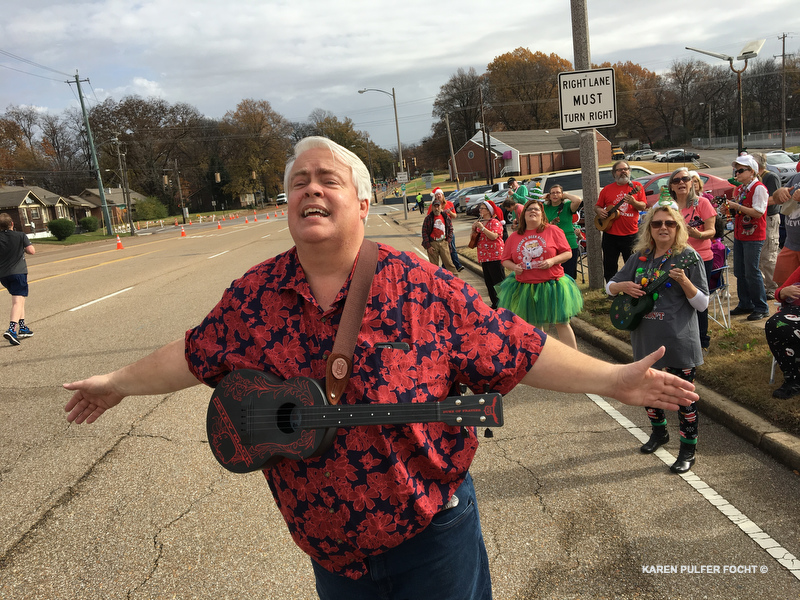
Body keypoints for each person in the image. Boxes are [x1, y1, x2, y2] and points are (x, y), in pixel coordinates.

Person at [63, 137, 697, 599]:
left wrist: (614, 379)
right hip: (332, 553)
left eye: (328, 179)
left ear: (363, 203)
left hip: (432, 532)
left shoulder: (419, 283)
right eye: (299, 181)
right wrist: (115, 385)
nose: (311, 188)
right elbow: (190, 355)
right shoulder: (252, 297)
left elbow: (517, 346)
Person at [608, 199, 708, 474]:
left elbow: (702, 304)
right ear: (649, 228)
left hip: (678, 340)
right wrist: (621, 286)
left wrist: (685, 282)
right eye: (656, 223)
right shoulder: (640, 257)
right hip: (645, 338)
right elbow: (609, 287)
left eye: (669, 223)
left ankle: (688, 448)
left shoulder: (688, 256)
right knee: (649, 392)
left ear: (678, 228)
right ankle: (659, 433)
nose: (663, 228)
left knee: (684, 398)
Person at [497, 198, 583, 349]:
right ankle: (541, 356)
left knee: (561, 322)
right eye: (529, 210)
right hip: (525, 287)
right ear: (523, 215)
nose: (532, 212)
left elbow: (567, 253)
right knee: (534, 325)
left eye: (536, 209)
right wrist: (514, 267)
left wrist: (552, 261)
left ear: (542, 214)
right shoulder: (515, 237)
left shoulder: (553, 231)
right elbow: (505, 260)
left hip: (552, 284)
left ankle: (574, 357)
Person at [669, 167, 717, 350]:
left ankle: (701, 341)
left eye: (685, 179)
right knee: (677, 298)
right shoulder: (669, 207)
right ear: (671, 187)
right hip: (674, 258)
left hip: (701, 258)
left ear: (691, 183)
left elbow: (712, 231)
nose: (681, 182)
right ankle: (681, 336)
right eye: (676, 180)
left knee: (698, 298)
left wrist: (699, 234)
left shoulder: (702, 203)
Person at [728, 154, 770, 321]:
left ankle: (761, 306)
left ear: (751, 171)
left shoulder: (758, 188)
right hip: (740, 234)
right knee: (739, 270)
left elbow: (759, 212)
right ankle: (745, 303)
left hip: (754, 236)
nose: (736, 174)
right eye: (735, 170)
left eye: (740, 171)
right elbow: (740, 210)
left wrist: (737, 206)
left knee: (752, 271)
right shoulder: (740, 189)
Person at [595, 160, 648, 282]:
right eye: (619, 170)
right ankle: (611, 289)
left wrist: (633, 202)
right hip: (610, 234)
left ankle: (630, 291)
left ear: (629, 171)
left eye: (625, 169)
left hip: (630, 234)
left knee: (632, 265)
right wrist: (599, 211)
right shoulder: (607, 189)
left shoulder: (636, 187)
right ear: (614, 173)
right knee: (610, 265)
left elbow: (643, 206)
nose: (623, 171)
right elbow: (597, 206)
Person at [0, 213, 35, 346]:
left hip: (3, 275)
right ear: (12, 224)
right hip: (18, 273)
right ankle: (12, 330)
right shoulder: (20, 235)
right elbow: (31, 251)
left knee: (20, 300)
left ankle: (23, 327)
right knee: (17, 302)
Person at [766, 264, 800, 399]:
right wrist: (783, 292)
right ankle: (793, 379)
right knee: (774, 324)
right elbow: (779, 292)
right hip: (796, 312)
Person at [753, 153, 782, 299]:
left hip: (770, 218)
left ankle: (773, 287)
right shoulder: (754, 179)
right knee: (760, 257)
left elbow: (776, 199)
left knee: (769, 256)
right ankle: (763, 286)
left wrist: (756, 204)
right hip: (758, 220)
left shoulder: (771, 177)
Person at [470, 199, 505, 309]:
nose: (480, 210)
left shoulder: (495, 222)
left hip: (495, 256)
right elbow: (473, 239)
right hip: (484, 257)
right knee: (489, 283)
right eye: (480, 208)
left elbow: (494, 236)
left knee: (498, 282)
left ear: (488, 210)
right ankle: (494, 303)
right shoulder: (481, 222)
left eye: (482, 208)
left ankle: (503, 303)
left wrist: (482, 228)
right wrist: (473, 229)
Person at [543, 184, 583, 279]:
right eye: (552, 193)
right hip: (552, 243)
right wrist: (544, 199)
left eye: (558, 193)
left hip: (568, 242)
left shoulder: (567, 206)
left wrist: (566, 195)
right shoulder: (545, 207)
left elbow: (578, 200)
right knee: (553, 273)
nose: (555, 195)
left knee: (568, 275)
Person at [428, 187, 463, 272]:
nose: (438, 196)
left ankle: (456, 265)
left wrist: (449, 212)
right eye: (436, 195)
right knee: (442, 251)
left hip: (448, 230)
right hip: (436, 233)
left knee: (452, 248)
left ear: (442, 195)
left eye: (439, 194)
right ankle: (444, 267)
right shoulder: (432, 206)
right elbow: (428, 218)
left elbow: (455, 216)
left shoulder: (450, 204)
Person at [421, 195, 457, 274]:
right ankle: (435, 284)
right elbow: (424, 233)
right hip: (433, 244)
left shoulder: (445, 217)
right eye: (435, 206)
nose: (436, 208)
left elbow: (450, 229)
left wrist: (448, 241)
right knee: (434, 267)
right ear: (432, 207)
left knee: (449, 264)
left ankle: (456, 282)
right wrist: (428, 246)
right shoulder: (428, 218)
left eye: (438, 206)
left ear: (441, 207)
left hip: (444, 242)